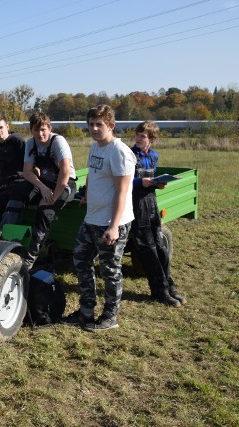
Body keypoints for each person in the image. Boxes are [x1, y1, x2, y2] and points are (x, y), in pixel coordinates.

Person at [63, 105, 136, 331]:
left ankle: (109, 317)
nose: (94, 129)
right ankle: (86, 311)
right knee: (81, 260)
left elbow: (122, 192)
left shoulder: (120, 152)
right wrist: (87, 195)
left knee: (109, 271)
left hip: (111, 223)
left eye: (99, 125)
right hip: (92, 219)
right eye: (91, 124)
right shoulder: (96, 147)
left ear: (111, 126)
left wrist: (114, 226)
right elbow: (95, 177)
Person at [0, 112, 77, 270]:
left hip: (64, 183)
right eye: (36, 130)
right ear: (31, 130)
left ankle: (31, 255)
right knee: (19, 189)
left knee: (45, 209)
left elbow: (65, 171)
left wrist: (53, 196)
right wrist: (43, 188)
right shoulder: (30, 143)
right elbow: (27, 172)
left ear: (50, 128)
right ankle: (4, 235)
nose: (40, 134)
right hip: (44, 182)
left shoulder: (58, 142)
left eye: (43, 130)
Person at [131, 120, 187, 307]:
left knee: (159, 245)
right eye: (137, 135)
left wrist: (158, 183)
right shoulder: (129, 155)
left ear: (152, 139)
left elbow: (151, 178)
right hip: (136, 202)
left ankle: (169, 287)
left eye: (143, 136)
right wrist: (141, 183)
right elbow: (122, 182)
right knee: (147, 248)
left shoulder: (154, 156)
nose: (138, 138)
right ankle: (158, 291)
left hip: (151, 200)